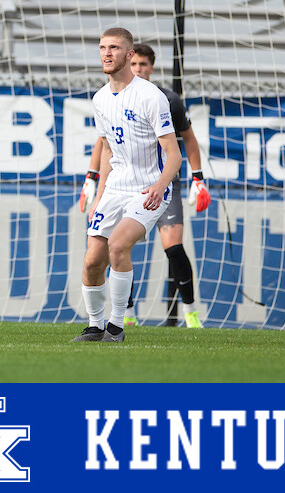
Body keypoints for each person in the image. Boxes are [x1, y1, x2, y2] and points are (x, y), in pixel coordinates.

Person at [79, 43, 211, 328]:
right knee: (104, 254)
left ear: (150, 67)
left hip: (162, 185)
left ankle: (189, 312)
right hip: (120, 187)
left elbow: (186, 141)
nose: (139, 68)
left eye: (143, 65)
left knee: (172, 248)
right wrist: (92, 182)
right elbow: (104, 145)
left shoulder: (163, 99)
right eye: (135, 64)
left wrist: (197, 179)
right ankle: (121, 316)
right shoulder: (103, 98)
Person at [74, 28, 182, 343]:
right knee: (93, 260)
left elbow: (173, 155)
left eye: (115, 48)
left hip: (149, 188)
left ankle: (117, 327)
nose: (107, 53)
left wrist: (161, 186)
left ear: (130, 54)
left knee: (118, 245)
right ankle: (95, 326)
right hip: (115, 188)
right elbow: (107, 150)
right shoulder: (100, 99)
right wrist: (99, 196)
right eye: (103, 48)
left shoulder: (151, 96)